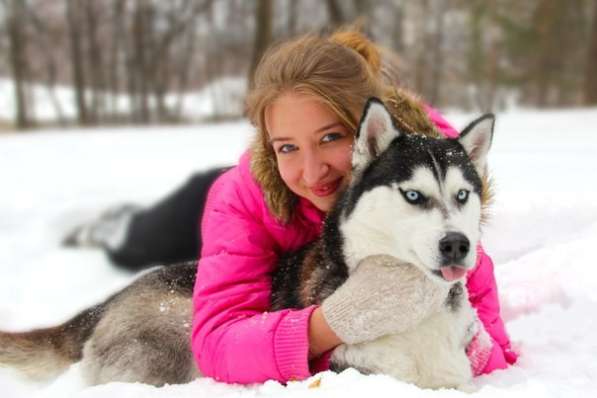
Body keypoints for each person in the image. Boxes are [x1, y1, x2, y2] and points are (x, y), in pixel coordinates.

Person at [66, 30, 517, 384]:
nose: (312, 169)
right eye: (286, 146)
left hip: (304, 246)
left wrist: (455, 328)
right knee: (139, 244)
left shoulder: (438, 182)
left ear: (367, 137)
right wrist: (331, 324)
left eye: (331, 138)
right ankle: (111, 226)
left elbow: (495, 350)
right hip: (234, 210)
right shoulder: (244, 195)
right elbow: (215, 339)